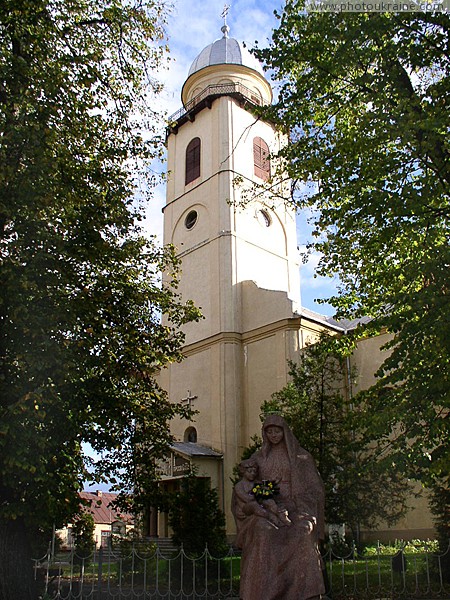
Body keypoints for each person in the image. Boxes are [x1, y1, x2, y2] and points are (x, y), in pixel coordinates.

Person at [232, 415, 325, 600]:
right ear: (265, 434)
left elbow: (316, 489)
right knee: (262, 532)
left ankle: (304, 593)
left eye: (277, 431)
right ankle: (261, 593)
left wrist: (301, 503)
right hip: (265, 510)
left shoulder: (301, 457)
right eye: (269, 431)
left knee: (303, 531)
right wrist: (262, 499)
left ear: (285, 431)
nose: (274, 435)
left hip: (297, 507)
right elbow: (245, 486)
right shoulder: (258, 459)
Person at [232, 458, 291, 534]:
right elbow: (246, 498)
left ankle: (280, 514)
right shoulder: (239, 486)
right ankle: (271, 517)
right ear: (243, 472)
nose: (252, 473)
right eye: (250, 471)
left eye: (254, 471)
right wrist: (258, 494)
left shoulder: (257, 483)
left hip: (259, 503)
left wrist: (267, 491)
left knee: (269, 501)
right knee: (254, 505)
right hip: (246, 507)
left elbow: (266, 491)